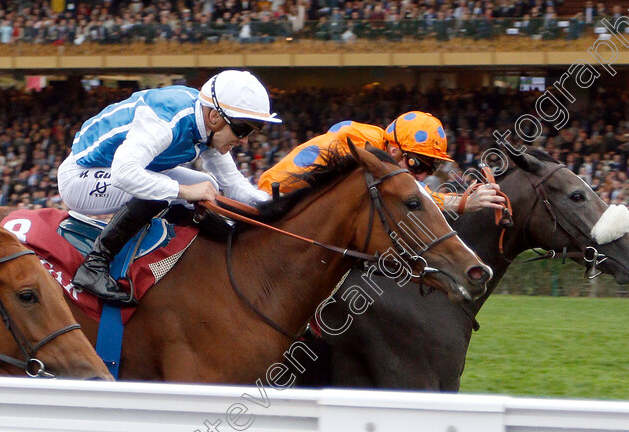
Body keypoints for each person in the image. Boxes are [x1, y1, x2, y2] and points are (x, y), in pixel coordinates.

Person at [57, 70, 280, 304]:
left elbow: (233, 185)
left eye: (252, 132)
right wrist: (183, 192)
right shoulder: (165, 121)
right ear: (214, 116)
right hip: (81, 177)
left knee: (207, 185)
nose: (245, 141)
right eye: (242, 130)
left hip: (115, 172)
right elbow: (124, 174)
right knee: (170, 189)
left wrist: (277, 208)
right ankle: (95, 264)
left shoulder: (207, 123)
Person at [257, 111, 505, 214]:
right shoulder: (367, 149)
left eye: (433, 168)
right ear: (395, 151)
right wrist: (464, 202)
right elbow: (420, 195)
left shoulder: (381, 146)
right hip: (273, 206)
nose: (422, 175)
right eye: (418, 165)